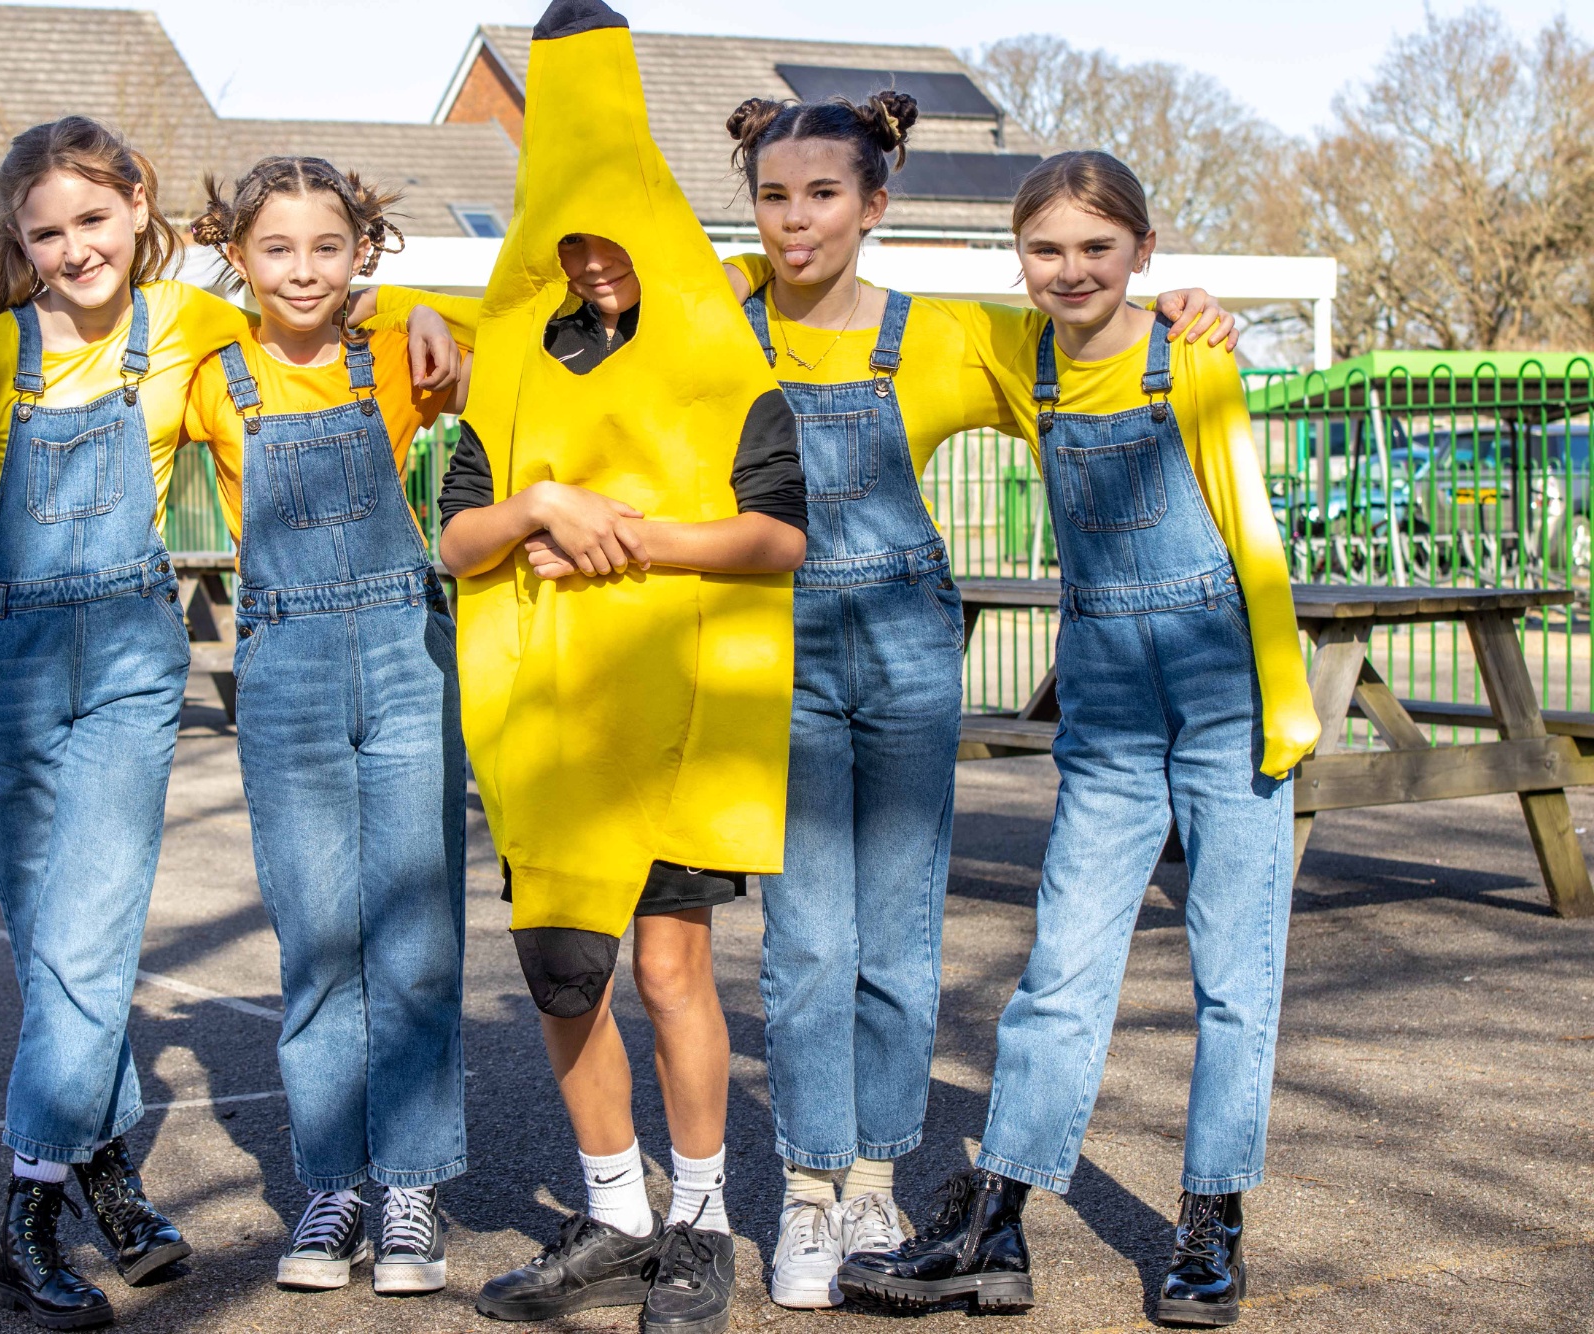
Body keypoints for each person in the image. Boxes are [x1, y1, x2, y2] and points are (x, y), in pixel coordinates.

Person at [714, 95, 1237, 1311]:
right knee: (804, 947)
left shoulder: (950, 335)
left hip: (903, 647)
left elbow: (1095, 346)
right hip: (770, 656)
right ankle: (805, 1187)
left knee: (897, 942)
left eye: (822, 195)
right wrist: (415, 305)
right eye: (772, 196)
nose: (795, 221)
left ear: (874, 204)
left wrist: (1183, 311)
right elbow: (529, 310)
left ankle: (875, 1181)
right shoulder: (714, 320)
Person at [836, 150, 1319, 1328]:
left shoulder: (1186, 349)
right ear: (1019, 261)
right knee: (1058, 969)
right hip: (1102, 686)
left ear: (1142, 253)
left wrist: (1283, 696)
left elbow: (1248, 525)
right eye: (1045, 250)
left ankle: (1211, 1224)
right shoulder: (1022, 361)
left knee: (1232, 973)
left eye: (1096, 249)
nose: (1069, 270)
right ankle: (994, 1224)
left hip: (1221, 685)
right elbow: (808, 285)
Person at [440, 5, 804, 1332]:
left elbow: (776, 534)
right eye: (570, 240)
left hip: (678, 713)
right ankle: (613, 1212)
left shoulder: (718, 353)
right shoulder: (515, 369)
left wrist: (633, 536)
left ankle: (700, 1222)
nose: (593, 263)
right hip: (550, 721)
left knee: (668, 968)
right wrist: (542, 505)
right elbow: (459, 532)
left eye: (612, 238)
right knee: (564, 973)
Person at [0, 116, 252, 1331]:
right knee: (61, 945)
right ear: (19, 242)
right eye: (46, 232)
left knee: (87, 935)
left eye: (93, 219)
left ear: (138, 207)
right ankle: (107, 1175)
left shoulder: (193, 327)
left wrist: (411, 314)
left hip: (136, 660)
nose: (73, 247)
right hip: (16, 669)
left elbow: (315, 327)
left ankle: (25, 1213)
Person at [182, 156, 470, 1298]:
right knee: (316, 941)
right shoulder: (209, 374)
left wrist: (430, 305)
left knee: (412, 940)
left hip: (405, 662)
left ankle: (410, 1184)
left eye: (325, 248)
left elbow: (516, 326)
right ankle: (330, 1180)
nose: (303, 272)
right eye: (275, 250)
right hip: (287, 671)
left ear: (362, 253)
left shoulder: (399, 353)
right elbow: (143, 317)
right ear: (238, 257)